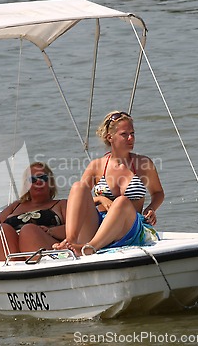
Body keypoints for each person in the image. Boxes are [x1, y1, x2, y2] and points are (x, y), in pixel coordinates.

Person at [54, 110, 164, 256]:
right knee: (78, 187)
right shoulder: (96, 166)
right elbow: (79, 201)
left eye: (132, 133)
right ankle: (70, 241)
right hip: (99, 226)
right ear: (109, 137)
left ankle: (90, 248)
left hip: (129, 228)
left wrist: (151, 208)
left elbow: (158, 193)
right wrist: (99, 198)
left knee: (121, 202)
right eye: (124, 134)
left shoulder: (143, 163)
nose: (130, 138)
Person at [0, 162, 67, 261]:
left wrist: (50, 231)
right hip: (12, 253)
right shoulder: (15, 206)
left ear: (50, 182)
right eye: (32, 179)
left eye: (43, 178)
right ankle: (10, 271)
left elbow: (75, 230)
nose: (38, 182)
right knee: (2, 230)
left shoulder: (61, 204)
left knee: (28, 230)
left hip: (49, 248)